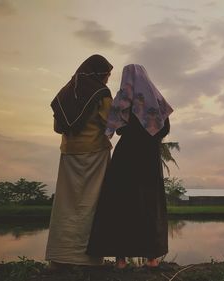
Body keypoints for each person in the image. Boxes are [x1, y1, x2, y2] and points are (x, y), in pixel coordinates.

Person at [86, 64, 173, 269]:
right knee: (149, 203)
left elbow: (118, 130)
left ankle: (121, 260)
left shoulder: (123, 98)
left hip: (126, 155)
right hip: (149, 157)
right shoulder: (157, 99)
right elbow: (164, 129)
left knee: (120, 203)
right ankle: (152, 259)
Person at [46, 54, 113, 268]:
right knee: (92, 204)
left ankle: (60, 256)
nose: (107, 80)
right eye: (107, 75)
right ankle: (86, 259)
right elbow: (112, 123)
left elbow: (58, 127)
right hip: (94, 154)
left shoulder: (66, 93)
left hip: (68, 154)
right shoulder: (101, 93)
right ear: (100, 74)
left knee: (66, 205)